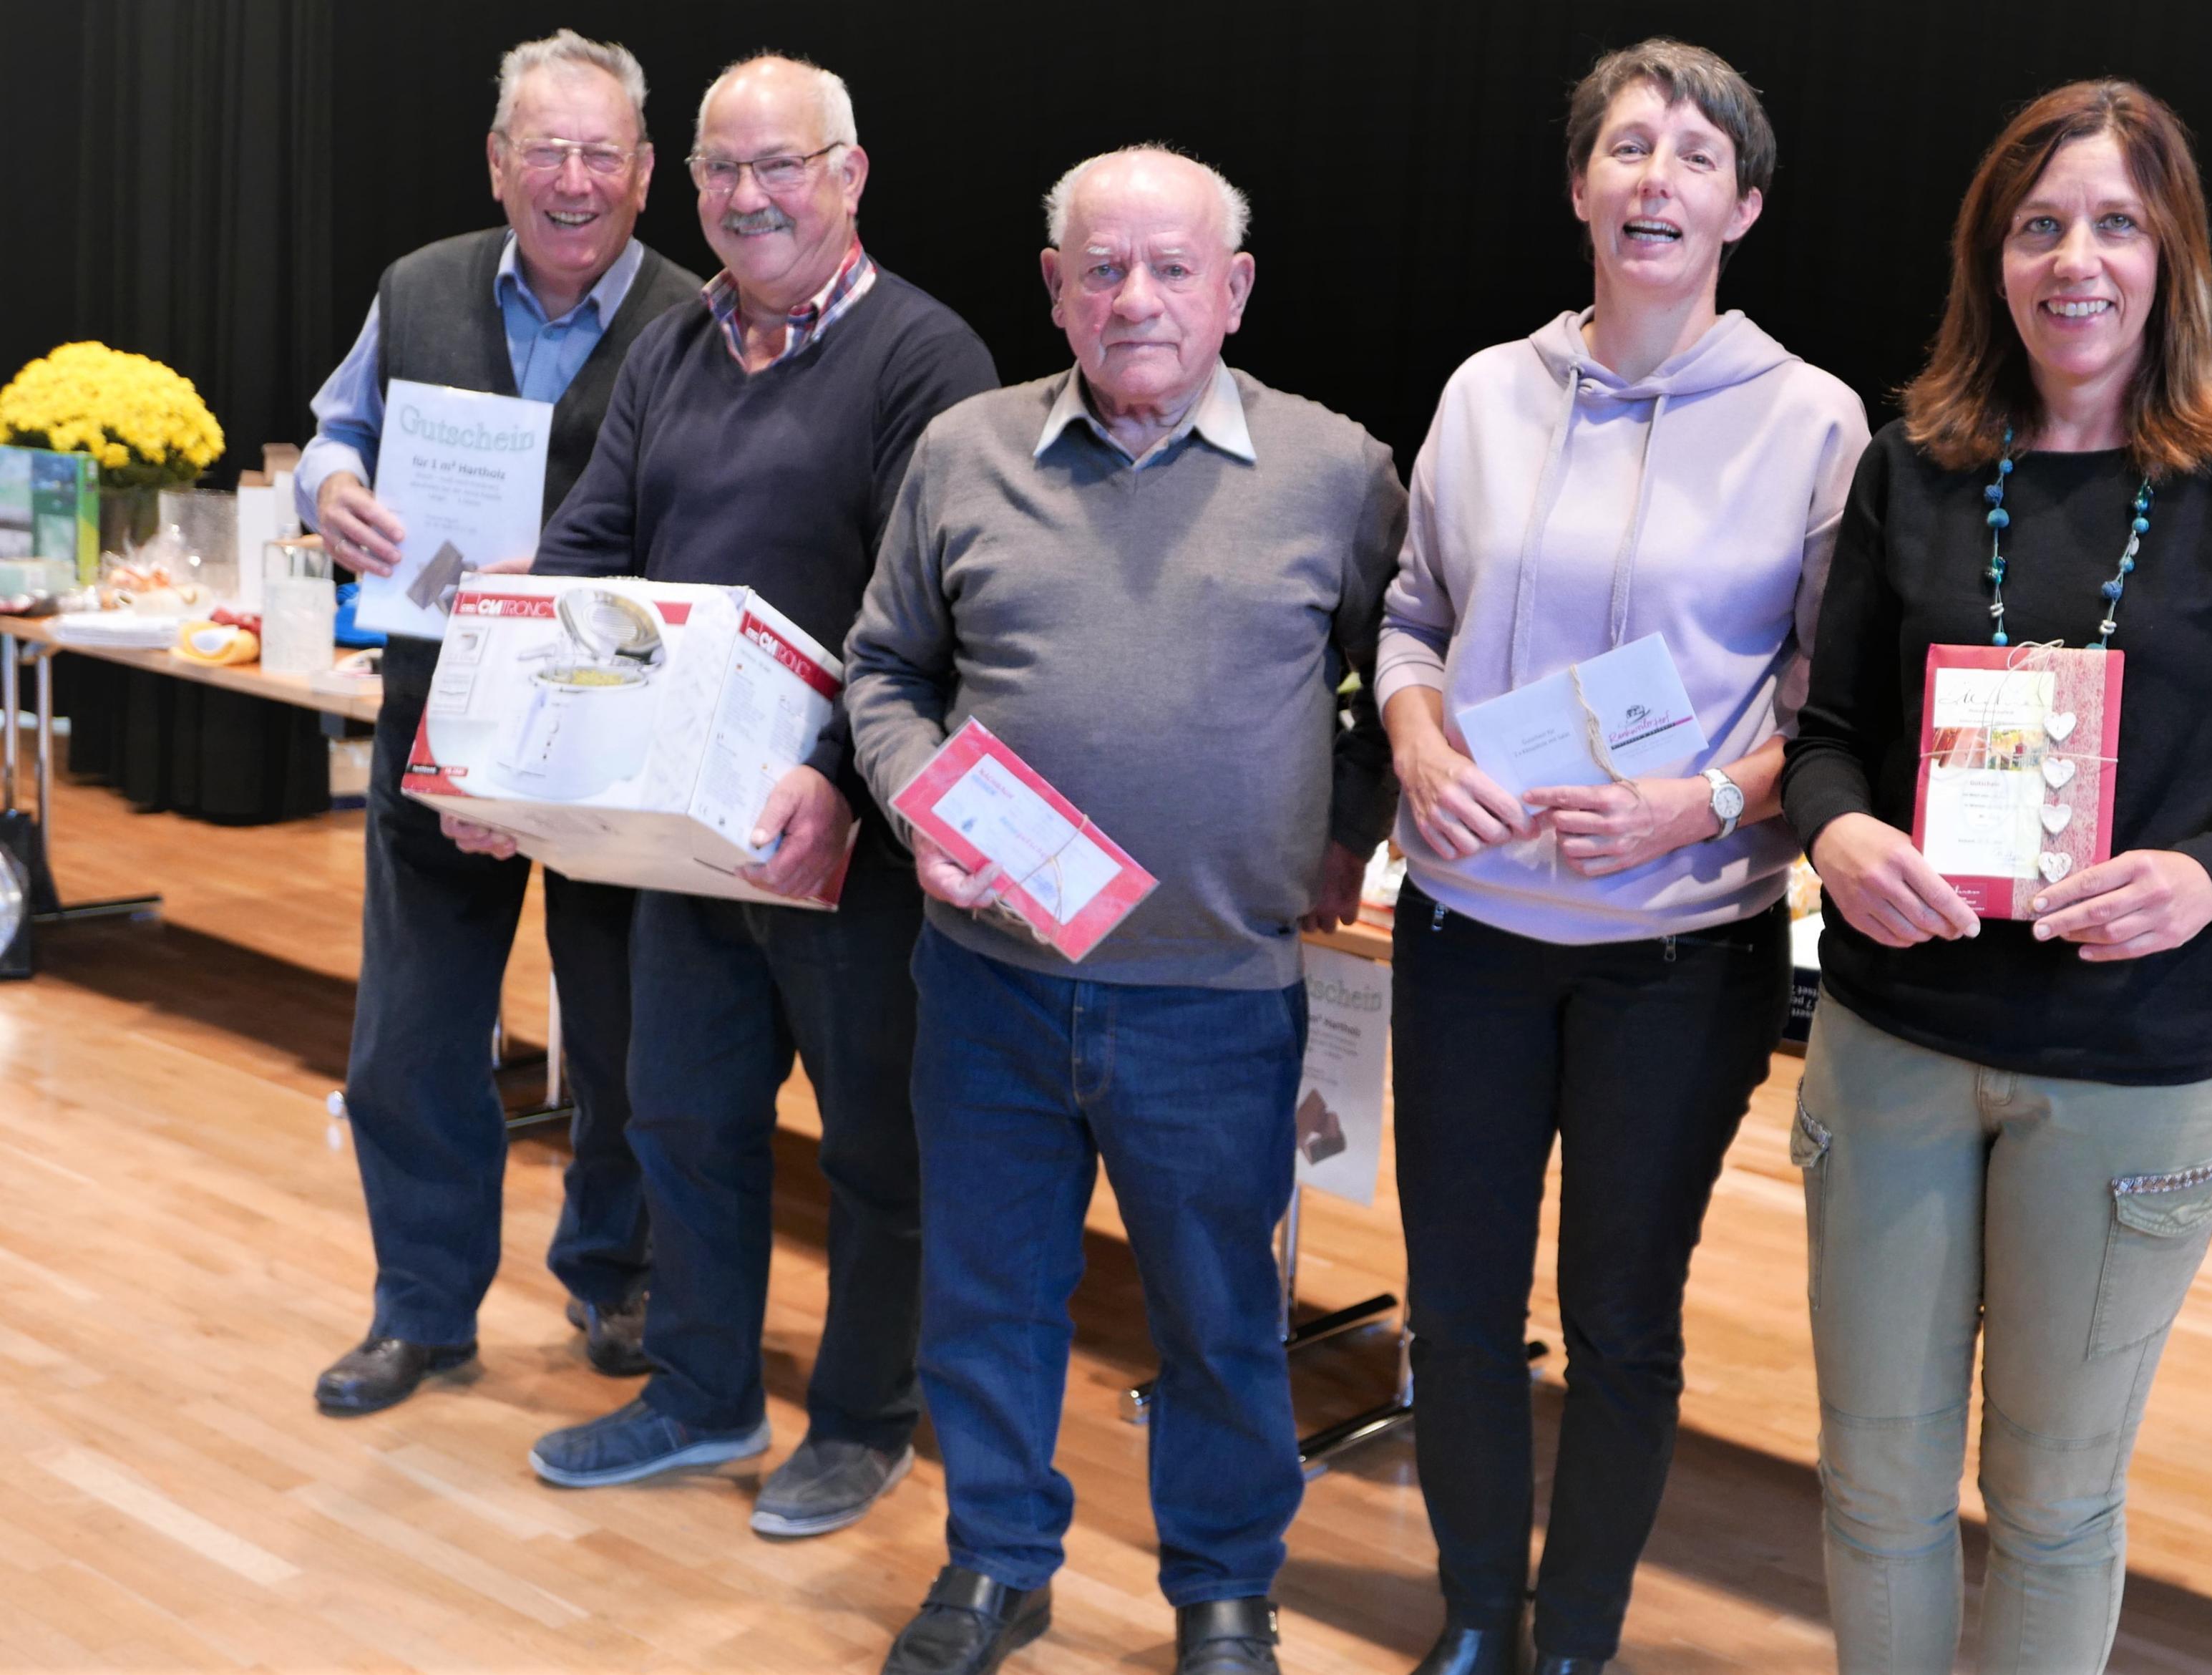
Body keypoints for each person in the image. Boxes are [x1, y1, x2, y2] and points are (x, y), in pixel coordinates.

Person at [1780, 80, 2212, 1675]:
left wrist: (2200, 878)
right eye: (2038, 226)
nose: (2074, 260)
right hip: (1893, 1048)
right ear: (1994, 258)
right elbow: (1828, 742)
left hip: (2127, 1068)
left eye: (2114, 224)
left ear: (2172, 255)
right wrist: (1836, 834)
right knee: (1877, 1489)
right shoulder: (1911, 467)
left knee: (2051, 1505)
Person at [843, 145, 1401, 1675]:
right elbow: (883, 668)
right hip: (988, 982)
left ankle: (1223, 1592)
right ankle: (995, 1562)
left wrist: (1347, 827)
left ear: (1235, 290)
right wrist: (913, 799)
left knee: (1220, 1321)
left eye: (1171, 268)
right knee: (985, 1299)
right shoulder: (964, 452)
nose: (1134, 297)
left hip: (1215, 997)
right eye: (1101, 269)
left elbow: (1398, 680)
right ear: (1054, 289)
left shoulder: (1336, 469)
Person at [1371, 39, 1867, 1675]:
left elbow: (1836, 711)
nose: (1657, 177)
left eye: (1695, 154)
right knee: (1455, 1305)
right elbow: (1411, 618)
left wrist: (1704, 803)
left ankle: (1574, 1636)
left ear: (1743, 206)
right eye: (1627, 146)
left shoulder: (1812, 422)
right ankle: (1473, 1618)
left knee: (1620, 1322)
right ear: (1579, 186)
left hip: (1678, 951)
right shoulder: (1481, 394)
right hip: (1467, 932)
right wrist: (1416, 738)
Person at [517, 54, 999, 1541]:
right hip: (686, 835)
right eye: (721, 169)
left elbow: (932, 617)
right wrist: (511, 740)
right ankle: (702, 1392)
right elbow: (589, 546)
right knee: (680, 1119)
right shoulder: (672, 347)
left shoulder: (927, 359)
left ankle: (863, 1419)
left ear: (850, 176)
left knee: (875, 1152)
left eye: (779, 165)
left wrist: (841, 780)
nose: (748, 195)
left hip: (852, 846)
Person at [304, 28, 701, 1419]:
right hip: (441, 720)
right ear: (496, 161)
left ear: (644, 174)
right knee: (411, 1039)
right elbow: (335, 431)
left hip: (616, 740)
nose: (572, 180)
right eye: (546, 150)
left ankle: (618, 1278)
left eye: (601, 154)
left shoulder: (700, 323)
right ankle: (419, 1309)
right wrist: (329, 489)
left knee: (632, 1044)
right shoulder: (416, 287)